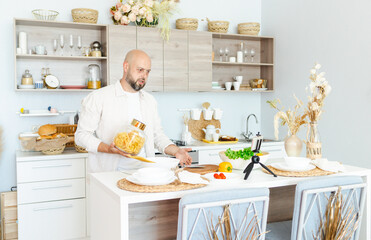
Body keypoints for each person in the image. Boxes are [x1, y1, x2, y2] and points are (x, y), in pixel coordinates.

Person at [75, 49, 192, 172]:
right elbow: (81, 136)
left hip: (143, 173)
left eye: (148, 72)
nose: (144, 76)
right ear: (126, 67)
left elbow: (157, 135)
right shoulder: (99, 97)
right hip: (109, 174)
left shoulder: (149, 101)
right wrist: (107, 148)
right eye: (140, 70)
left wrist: (176, 151)